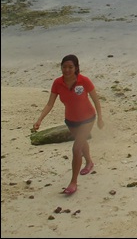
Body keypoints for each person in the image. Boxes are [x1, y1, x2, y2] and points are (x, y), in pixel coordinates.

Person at [33, 54, 104, 196]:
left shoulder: (84, 81)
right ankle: (89, 162)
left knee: (76, 148)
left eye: (70, 67)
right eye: (64, 67)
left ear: (76, 68)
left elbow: (96, 100)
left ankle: (73, 182)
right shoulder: (57, 83)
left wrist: (100, 118)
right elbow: (50, 103)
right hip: (71, 120)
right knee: (81, 142)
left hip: (88, 118)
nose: (67, 70)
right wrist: (40, 119)